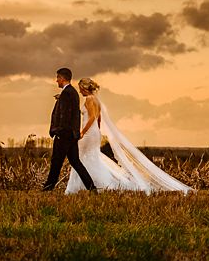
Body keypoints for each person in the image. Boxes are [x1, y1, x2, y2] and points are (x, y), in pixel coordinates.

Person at [65, 77, 193, 195]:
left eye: (80, 88)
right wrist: (96, 132)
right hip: (95, 133)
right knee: (90, 158)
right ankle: (86, 186)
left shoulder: (89, 99)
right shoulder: (96, 100)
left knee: (80, 158)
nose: (80, 91)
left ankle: (80, 187)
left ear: (84, 88)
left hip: (88, 133)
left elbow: (92, 117)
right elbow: (98, 119)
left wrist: (83, 132)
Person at [41, 67, 97, 193]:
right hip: (72, 135)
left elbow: (65, 115)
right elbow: (73, 112)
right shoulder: (71, 93)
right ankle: (92, 188)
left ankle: (48, 188)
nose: (56, 81)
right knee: (76, 162)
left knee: (56, 161)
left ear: (63, 78)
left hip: (64, 135)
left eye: (58, 78)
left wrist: (59, 131)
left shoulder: (67, 93)